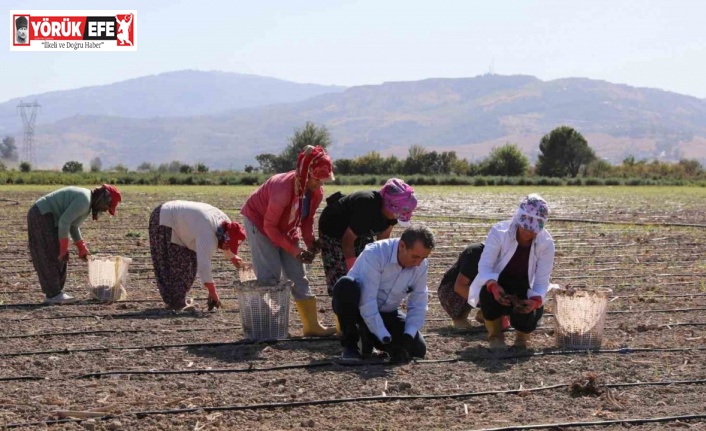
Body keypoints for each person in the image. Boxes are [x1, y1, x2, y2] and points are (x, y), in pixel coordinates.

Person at [241, 145, 335, 337]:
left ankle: (312, 326)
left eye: (323, 179)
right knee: (270, 276)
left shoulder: (316, 192)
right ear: (305, 173)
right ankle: (267, 326)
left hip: (286, 226)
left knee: (298, 275)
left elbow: (306, 220)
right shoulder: (283, 189)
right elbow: (270, 228)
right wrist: (295, 251)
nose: (320, 184)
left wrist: (310, 245)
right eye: (317, 179)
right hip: (260, 224)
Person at [331, 226, 435, 362]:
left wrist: (407, 337)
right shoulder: (375, 254)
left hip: (387, 312)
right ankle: (351, 345)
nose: (418, 263)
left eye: (423, 258)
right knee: (346, 285)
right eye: (415, 257)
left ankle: (368, 338)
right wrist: (384, 337)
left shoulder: (421, 264)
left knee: (417, 350)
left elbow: (419, 302)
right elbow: (367, 301)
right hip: (358, 309)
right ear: (402, 246)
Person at [467, 194, 556, 350]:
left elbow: (542, 281)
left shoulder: (546, 243)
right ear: (518, 219)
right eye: (525, 228)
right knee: (487, 294)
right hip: (500, 283)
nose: (528, 233)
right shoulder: (499, 232)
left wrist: (535, 301)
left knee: (530, 309)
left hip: (524, 286)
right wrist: (493, 286)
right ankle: (495, 336)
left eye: (533, 230)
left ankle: (522, 337)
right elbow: (485, 267)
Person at [318, 178, 418, 296]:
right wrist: (354, 274)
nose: (398, 218)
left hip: (359, 231)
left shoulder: (392, 215)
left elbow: (383, 241)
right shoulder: (366, 206)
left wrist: (385, 270)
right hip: (334, 230)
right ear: (389, 206)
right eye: (398, 214)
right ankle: (342, 307)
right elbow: (347, 243)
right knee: (342, 280)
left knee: (368, 268)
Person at [27, 185, 122, 304]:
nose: (104, 210)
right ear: (103, 198)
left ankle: (56, 293)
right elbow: (64, 221)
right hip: (42, 214)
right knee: (51, 254)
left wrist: (81, 247)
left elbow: (73, 226)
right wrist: (63, 248)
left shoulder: (86, 203)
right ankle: (53, 294)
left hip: (47, 215)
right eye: (107, 206)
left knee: (57, 254)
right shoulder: (84, 200)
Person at [149, 200, 245, 311]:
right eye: (228, 246)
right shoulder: (208, 235)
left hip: (180, 218)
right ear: (223, 237)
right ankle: (176, 303)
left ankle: (177, 300)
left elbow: (227, 242)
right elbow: (204, 266)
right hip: (165, 218)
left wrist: (233, 258)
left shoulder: (226, 225)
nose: (228, 248)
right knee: (178, 266)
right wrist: (213, 293)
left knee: (188, 265)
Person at [437, 244, 510, 330]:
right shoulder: (475, 252)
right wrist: (488, 306)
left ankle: (486, 314)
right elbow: (460, 287)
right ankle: (461, 317)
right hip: (451, 290)